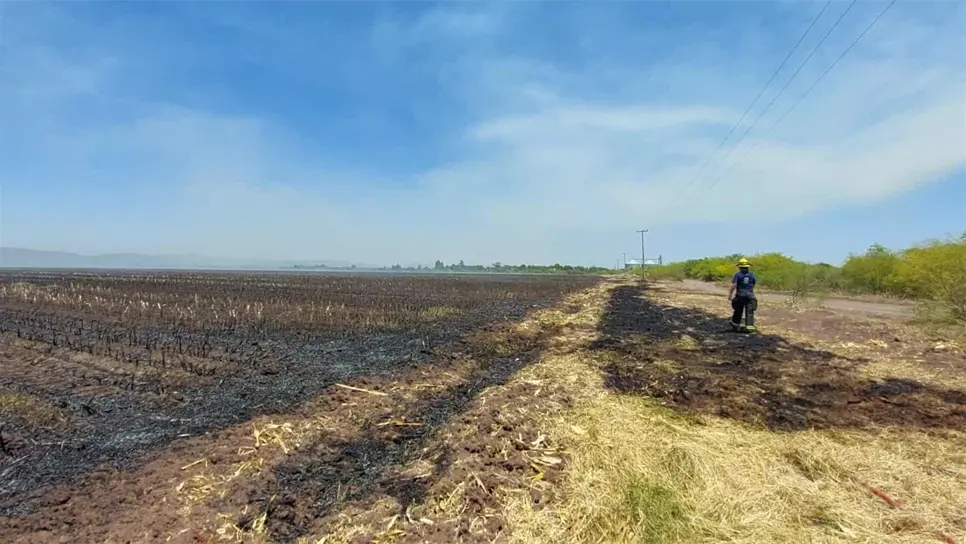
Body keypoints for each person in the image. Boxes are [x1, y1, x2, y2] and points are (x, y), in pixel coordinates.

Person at [728, 257, 757, 332]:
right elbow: (754, 283)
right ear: (748, 267)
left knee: (738, 310)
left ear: (740, 267)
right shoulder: (752, 275)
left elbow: (734, 285)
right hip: (750, 295)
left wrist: (730, 294)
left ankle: (735, 325)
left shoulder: (738, 275)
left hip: (740, 295)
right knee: (750, 311)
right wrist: (750, 291)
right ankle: (749, 327)